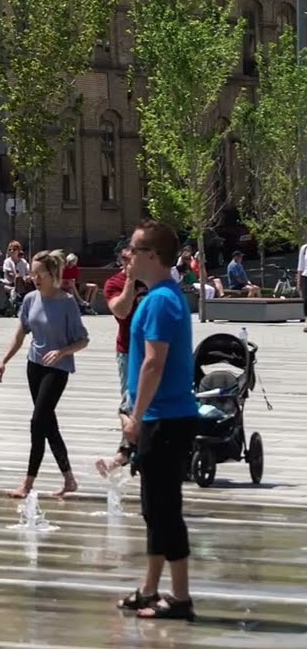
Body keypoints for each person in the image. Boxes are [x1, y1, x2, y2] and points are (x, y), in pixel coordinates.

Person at [117, 218, 199, 622]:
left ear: (152, 255)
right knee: (153, 507)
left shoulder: (162, 300)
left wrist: (134, 417)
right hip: (160, 415)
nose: (127, 255)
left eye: (133, 248)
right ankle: (150, 588)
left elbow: (154, 363)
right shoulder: (159, 296)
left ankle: (180, 599)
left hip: (164, 417)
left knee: (165, 509)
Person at [0, 251, 90, 499]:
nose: (34, 278)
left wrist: (62, 352)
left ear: (52, 274)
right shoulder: (30, 299)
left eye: (39, 274)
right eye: (32, 273)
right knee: (47, 422)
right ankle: (69, 479)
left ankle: (27, 484)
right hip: (34, 365)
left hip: (58, 369)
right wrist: (4, 360)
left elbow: (83, 340)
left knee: (38, 422)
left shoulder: (67, 302)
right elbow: (21, 333)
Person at [105, 243, 148, 408]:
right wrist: (131, 280)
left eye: (134, 257)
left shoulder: (151, 280)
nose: (130, 262)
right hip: (129, 349)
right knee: (130, 401)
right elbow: (121, 312)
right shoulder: (114, 283)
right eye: (125, 259)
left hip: (156, 346)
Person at [1, 240, 32, 311]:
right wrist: (21, 278)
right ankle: (19, 301)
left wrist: (27, 277)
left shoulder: (23, 262)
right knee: (18, 278)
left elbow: (28, 272)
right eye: (10, 249)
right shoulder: (7, 261)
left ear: (18, 250)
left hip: (23, 283)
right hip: (10, 284)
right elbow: (10, 275)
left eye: (14, 249)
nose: (12, 251)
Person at [298, 239, 307, 332]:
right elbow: (300, 266)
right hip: (306, 276)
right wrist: (299, 281)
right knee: (306, 301)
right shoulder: (304, 248)